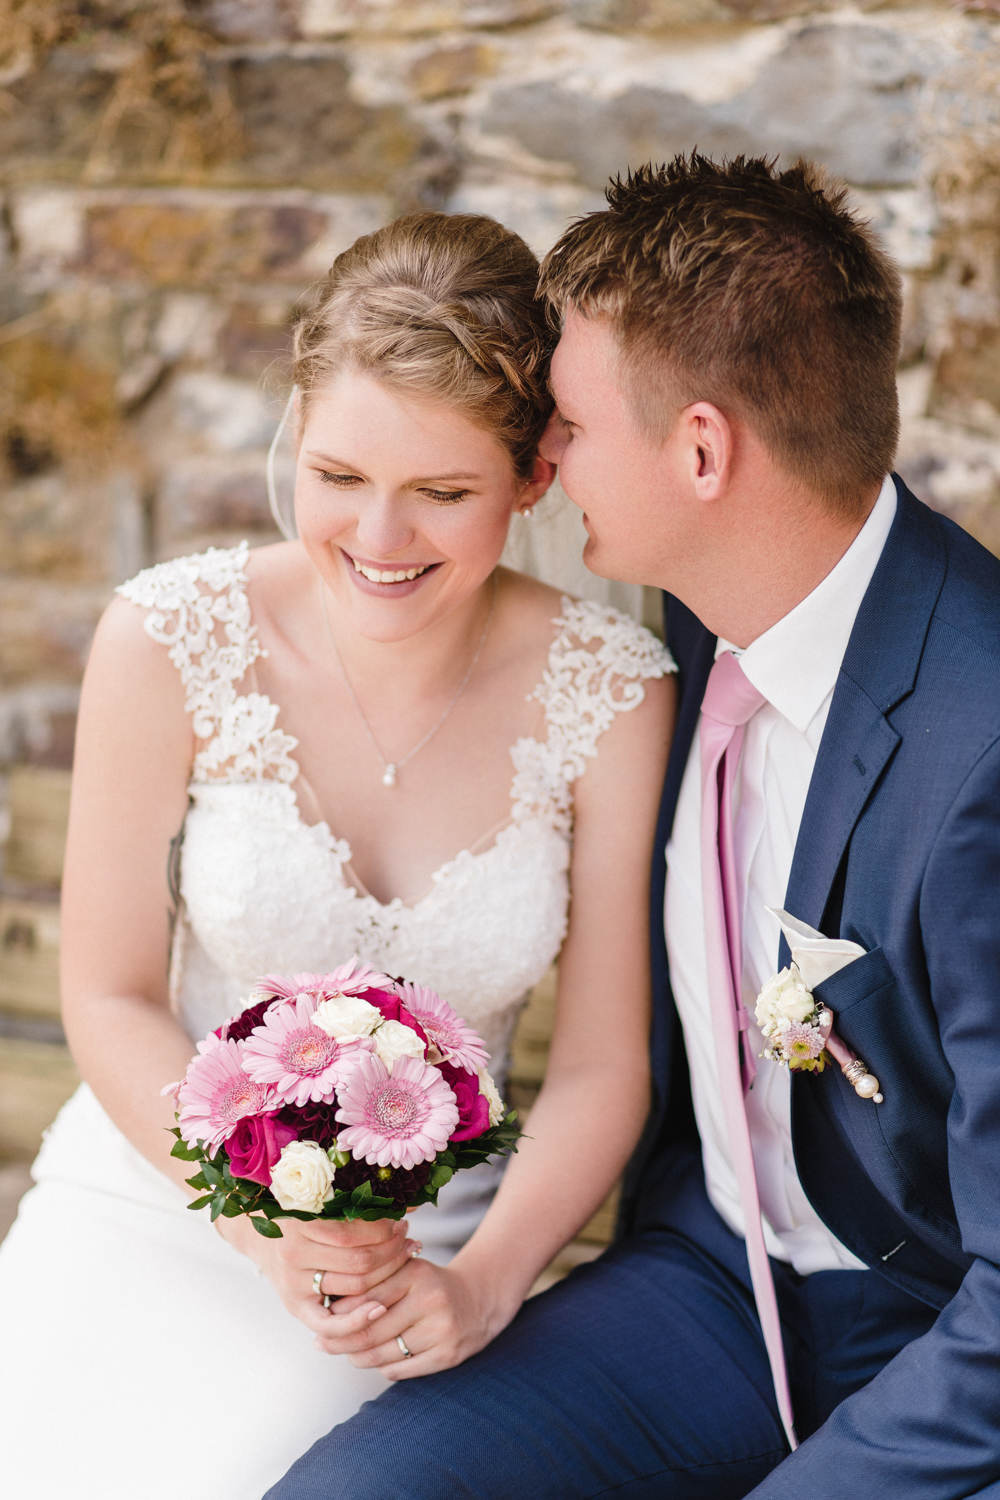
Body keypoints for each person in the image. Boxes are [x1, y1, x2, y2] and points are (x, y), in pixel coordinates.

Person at [264, 156, 1000, 1499]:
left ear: (702, 448)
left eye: (569, 427)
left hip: (941, 1338)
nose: (537, 460)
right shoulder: (686, 610)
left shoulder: (986, 744)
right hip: (706, 1283)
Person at [0, 212, 674, 1500]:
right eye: (340, 475)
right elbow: (110, 994)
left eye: (443, 491)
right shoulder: (166, 639)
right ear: (293, 433)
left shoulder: (612, 694)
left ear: (531, 479)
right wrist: (261, 1233)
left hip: (415, 1258)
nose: (380, 536)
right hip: (155, 1198)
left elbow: (601, 1066)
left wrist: (479, 1289)